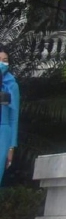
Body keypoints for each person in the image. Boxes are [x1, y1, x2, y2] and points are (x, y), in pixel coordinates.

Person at [0, 48, 18, 183]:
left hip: (3, 133)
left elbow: (14, 117)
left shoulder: (12, 85)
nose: (2, 63)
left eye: (5, 61)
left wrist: (11, 146)